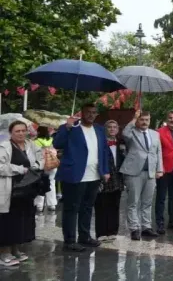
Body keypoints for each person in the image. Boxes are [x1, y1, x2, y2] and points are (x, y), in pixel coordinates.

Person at [54, 103, 110, 252]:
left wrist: (105, 170)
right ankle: (70, 241)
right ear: (82, 113)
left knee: (87, 207)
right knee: (71, 208)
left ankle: (84, 236)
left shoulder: (99, 129)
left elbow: (104, 151)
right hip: (74, 175)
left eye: (94, 112)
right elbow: (57, 143)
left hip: (94, 175)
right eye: (88, 112)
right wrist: (67, 126)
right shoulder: (71, 127)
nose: (91, 115)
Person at [0, 121, 43, 267]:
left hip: (27, 189)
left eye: (23, 130)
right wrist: (20, 169)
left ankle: (15, 249)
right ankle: (4, 252)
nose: (21, 133)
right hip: (9, 190)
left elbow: (40, 160)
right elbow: (0, 166)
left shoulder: (31, 145)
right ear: (11, 132)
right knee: (8, 221)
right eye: (17, 131)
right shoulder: (4, 146)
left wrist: (36, 166)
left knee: (21, 221)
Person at [120, 111, 162, 240]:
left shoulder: (155, 134)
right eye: (142, 119)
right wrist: (134, 118)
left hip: (150, 172)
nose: (144, 122)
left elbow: (158, 152)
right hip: (134, 172)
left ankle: (146, 227)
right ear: (138, 120)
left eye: (147, 120)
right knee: (133, 202)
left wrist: (159, 169)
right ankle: (134, 228)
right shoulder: (131, 132)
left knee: (147, 202)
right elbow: (124, 133)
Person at [94, 120, 125, 241]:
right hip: (104, 177)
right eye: (109, 127)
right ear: (105, 129)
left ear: (117, 129)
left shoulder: (121, 143)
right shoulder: (100, 143)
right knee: (101, 205)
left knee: (115, 205)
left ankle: (113, 231)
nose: (112, 129)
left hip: (117, 178)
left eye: (114, 127)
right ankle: (101, 232)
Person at [33, 126, 57, 213]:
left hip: (41, 165)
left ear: (39, 132)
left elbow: (34, 154)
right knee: (51, 183)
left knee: (40, 184)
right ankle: (52, 204)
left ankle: (39, 205)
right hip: (52, 164)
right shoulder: (51, 140)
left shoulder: (36, 141)